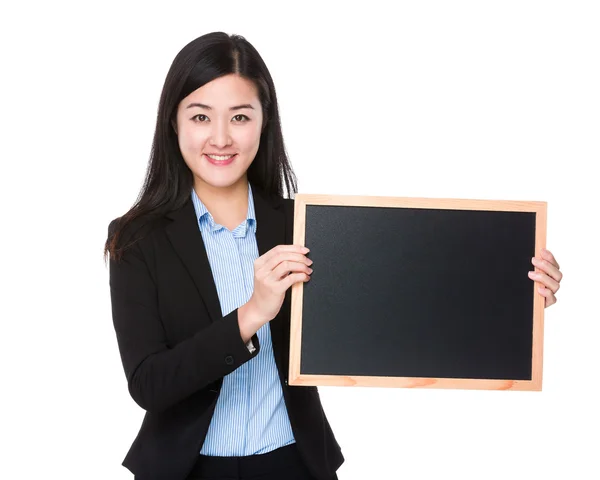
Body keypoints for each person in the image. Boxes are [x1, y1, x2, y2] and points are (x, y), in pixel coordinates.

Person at [104, 32, 563, 480]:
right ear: (174, 123)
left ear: (264, 123)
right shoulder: (136, 239)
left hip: (294, 464)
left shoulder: (304, 226)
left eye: (240, 117)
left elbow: (400, 302)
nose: (221, 137)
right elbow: (149, 384)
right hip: (185, 469)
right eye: (201, 117)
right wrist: (251, 313)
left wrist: (511, 299)